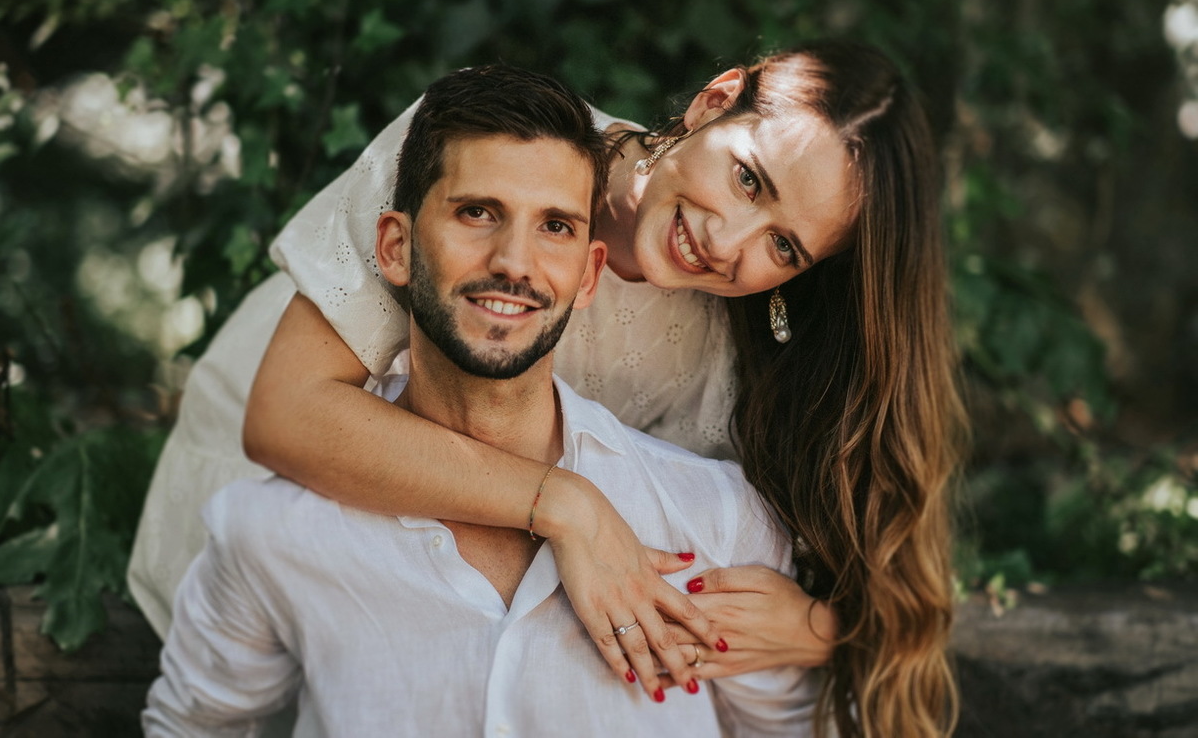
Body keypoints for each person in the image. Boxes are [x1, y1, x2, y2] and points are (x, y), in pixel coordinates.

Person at [130, 40, 965, 737]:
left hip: (466, 597)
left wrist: (822, 628)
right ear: (713, 102)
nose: (727, 240)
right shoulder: (495, 145)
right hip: (295, 497)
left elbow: (815, 552)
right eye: (749, 179)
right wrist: (565, 503)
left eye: (783, 247)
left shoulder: (733, 347)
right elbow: (289, 416)